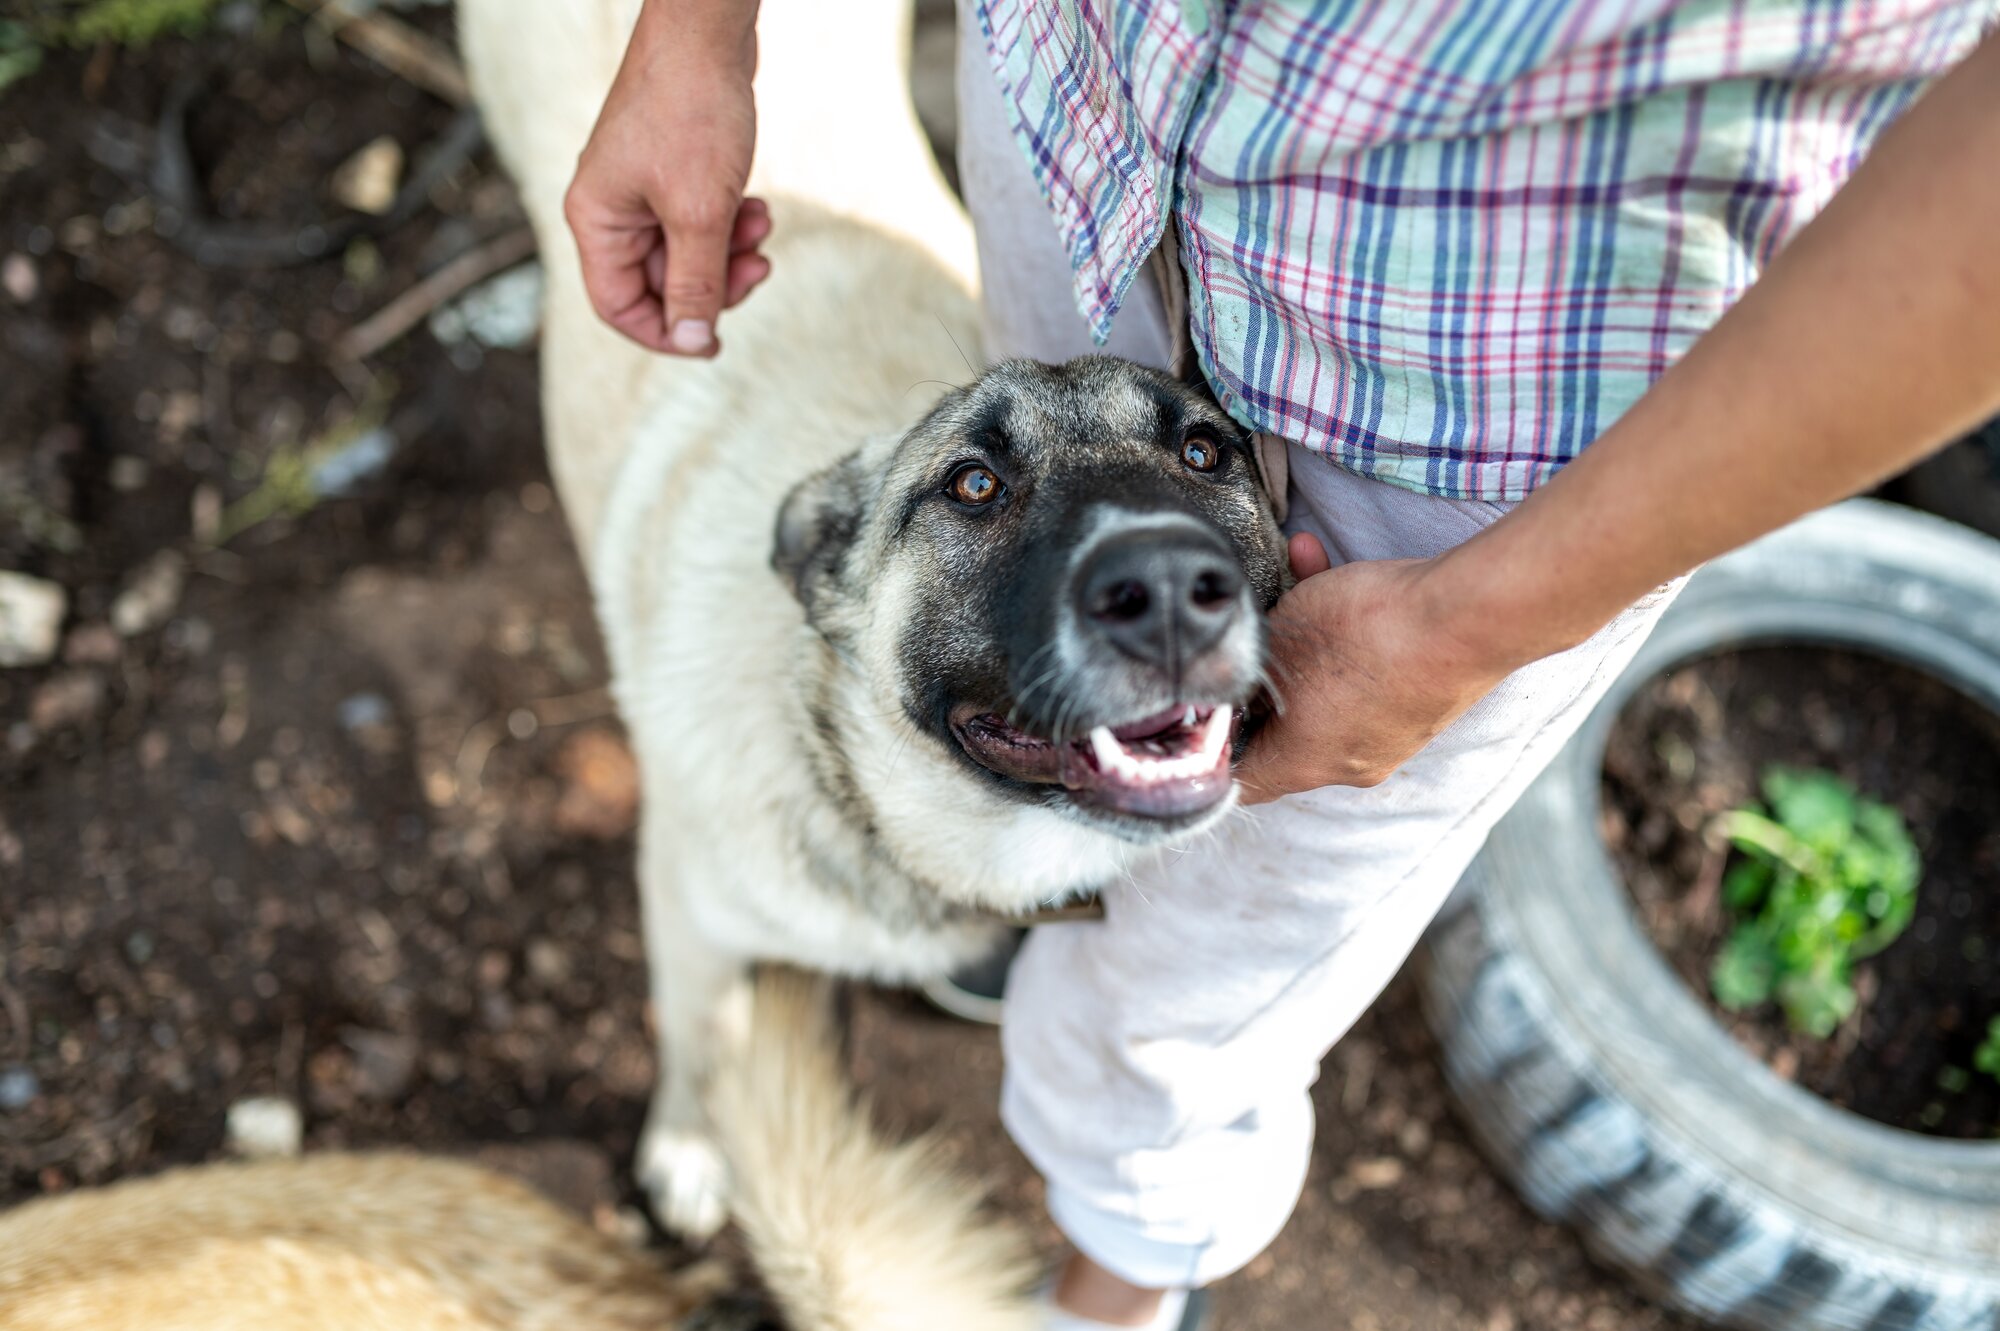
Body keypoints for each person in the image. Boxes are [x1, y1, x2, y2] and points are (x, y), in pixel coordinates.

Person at [566, 1, 2000, 1327]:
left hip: (1475, 405)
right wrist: (697, 33)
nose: (1169, 575)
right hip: (1078, 121)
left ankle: (1109, 1307)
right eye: (973, 494)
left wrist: (1467, 621)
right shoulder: (811, 597)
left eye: (1200, 466)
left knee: (1182, 1022)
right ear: (826, 567)